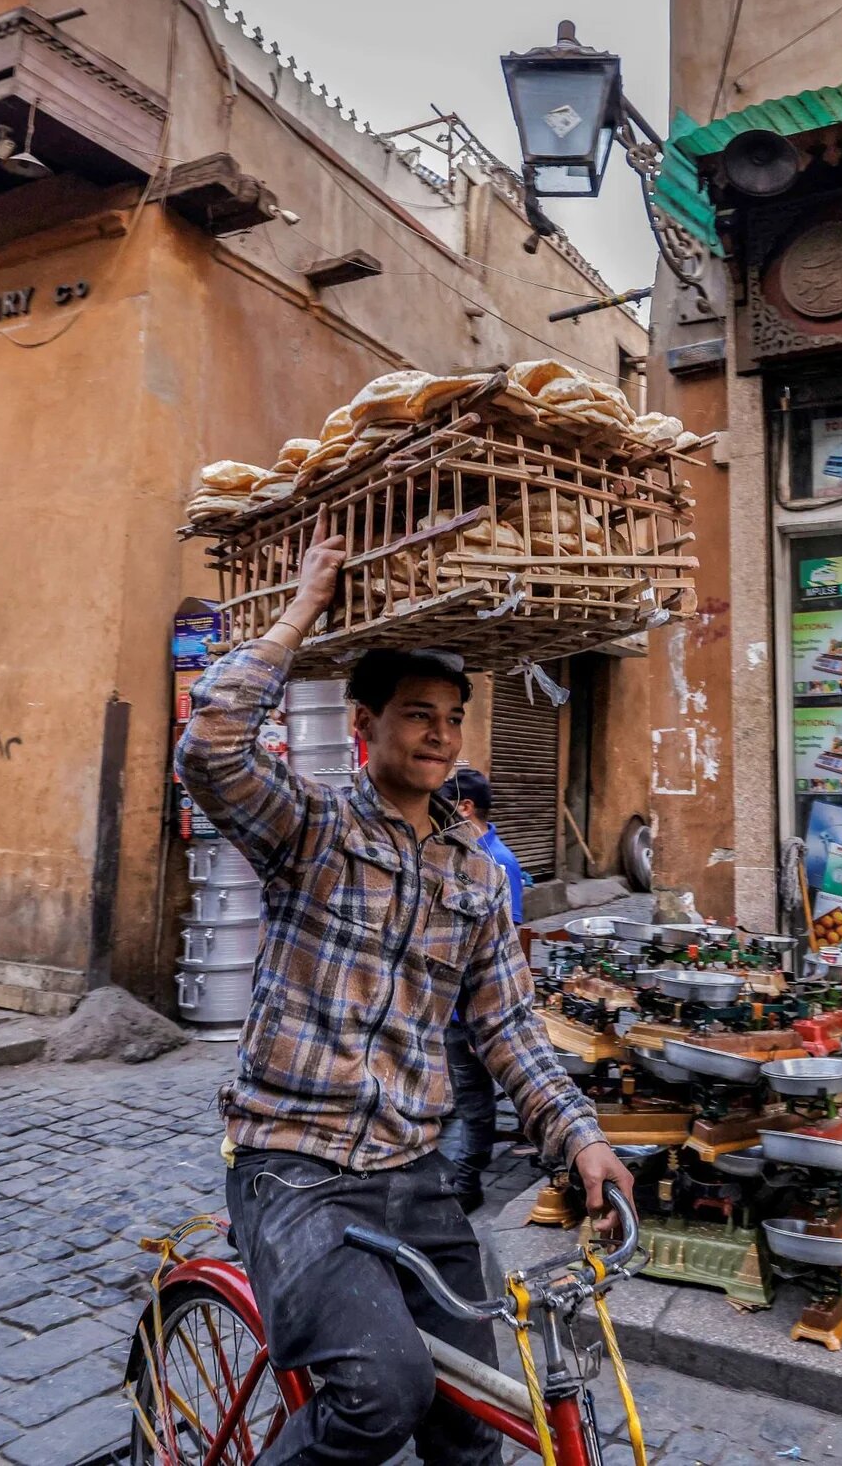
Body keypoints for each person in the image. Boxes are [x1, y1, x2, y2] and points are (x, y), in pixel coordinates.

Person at [176, 534, 631, 1466]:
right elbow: (212, 745)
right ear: (364, 724)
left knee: (481, 1426)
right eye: (418, 714)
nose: (441, 734)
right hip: (291, 1169)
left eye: (454, 717)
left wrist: (578, 1134)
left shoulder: (473, 872)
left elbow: (506, 1023)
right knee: (383, 1393)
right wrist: (302, 610)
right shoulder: (313, 829)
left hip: (412, 1178)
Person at [436, 766, 526, 1214]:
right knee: (459, 1092)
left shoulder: (497, 863)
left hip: (468, 1011)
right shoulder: (451, 853)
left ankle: (468, 1180)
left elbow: (507, 947)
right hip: (443, 1006)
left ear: (465, 808)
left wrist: (482, 1019)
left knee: (475, 1099)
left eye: (443, 803)